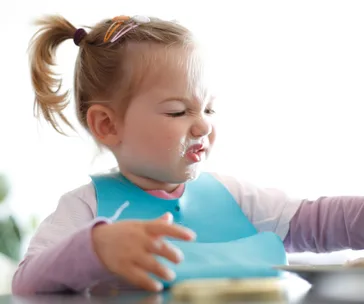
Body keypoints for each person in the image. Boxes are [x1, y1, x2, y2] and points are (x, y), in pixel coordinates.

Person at [12, 14, 364, 295]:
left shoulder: (237, 198)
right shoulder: (86, 208)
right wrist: (95, 248)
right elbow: (26, 282)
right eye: (178, 112)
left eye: (209, 110)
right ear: (107, 125)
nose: (203, 127)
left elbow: (317, 223)